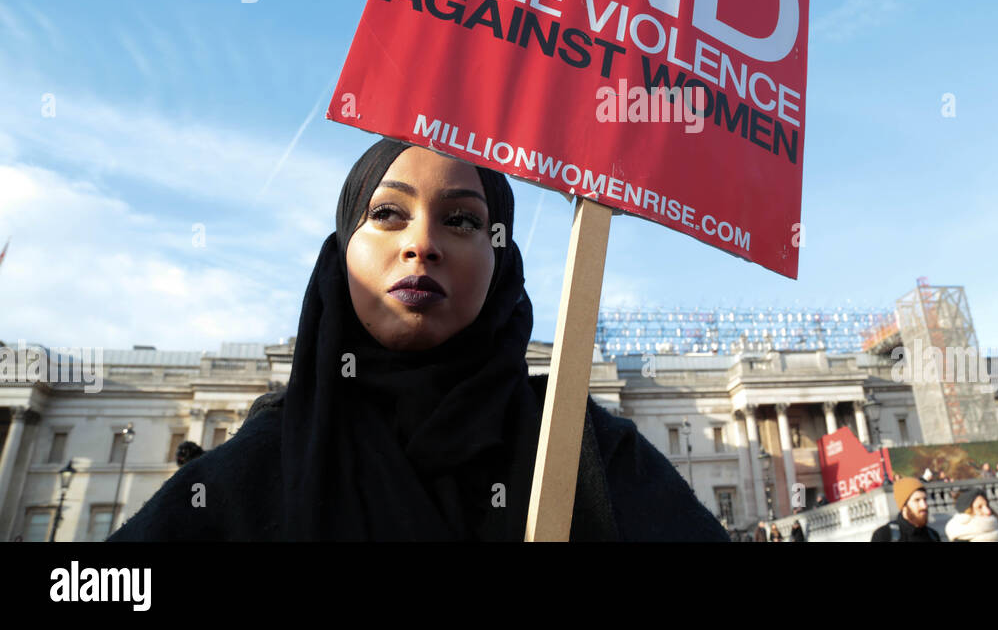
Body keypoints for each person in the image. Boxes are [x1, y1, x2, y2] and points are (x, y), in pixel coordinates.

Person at [108, 139, 729, 542]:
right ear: (340, 253)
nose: (421, 243)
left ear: (502, 259)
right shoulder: (257, 465)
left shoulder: (581, 449)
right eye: (386, 214)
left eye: (461, 219)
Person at [871, 477, 941, 542]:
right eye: (917, 500)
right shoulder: (885, 535)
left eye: (925, 499)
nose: (924, 506)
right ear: (904, 506)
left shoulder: (933, 536)